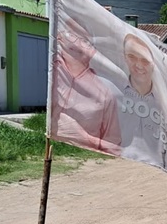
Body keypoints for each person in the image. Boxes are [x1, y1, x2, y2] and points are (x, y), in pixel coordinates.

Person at [50, 16, 121, 155]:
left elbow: (113, 144)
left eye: (85, 40)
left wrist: (86, 140)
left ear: (92, 50)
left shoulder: (105, 92)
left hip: (86, 159)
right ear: (59, 37)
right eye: (72, 35)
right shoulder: (49, 74)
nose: (78, 43)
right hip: (49, 151)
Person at [118, 33, 167, 172]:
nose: (138, 65)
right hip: (119, 174)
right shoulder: (115, 95)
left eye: (145, 59)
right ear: (124, 56)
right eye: (132, 57)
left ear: (154, 61)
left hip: (156, 178)